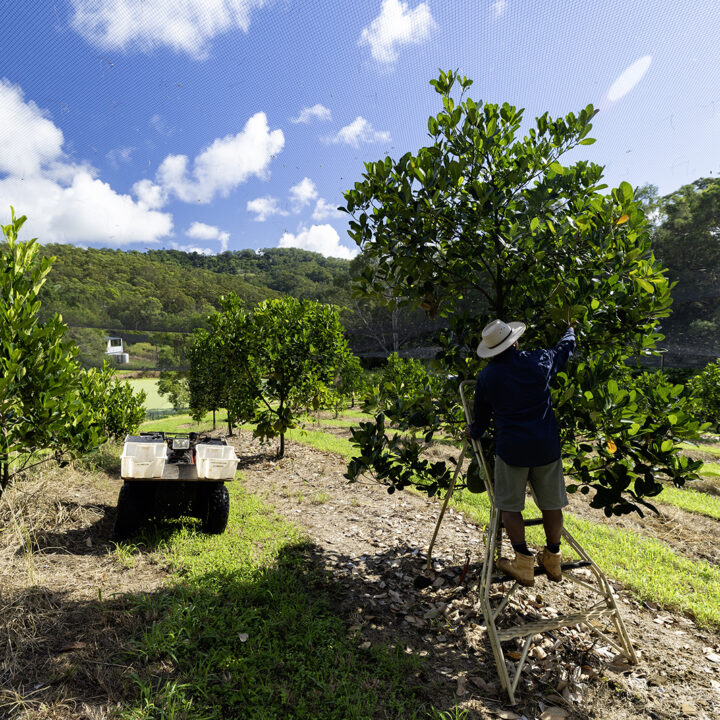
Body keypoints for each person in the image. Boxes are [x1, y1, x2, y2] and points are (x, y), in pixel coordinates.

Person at [465, 318, 576, 587]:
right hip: (546, 447)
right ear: (515, 342)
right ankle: (553, 556)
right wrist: (570, 331)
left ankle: (523, 561)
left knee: (509, 506)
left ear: (491, 350)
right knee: (552, 504)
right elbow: (563, 350)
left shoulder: (488, 377)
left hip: (512, 450)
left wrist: (473, 432)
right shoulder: (539, 360)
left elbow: (481, 419)